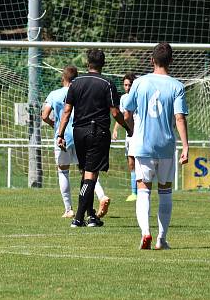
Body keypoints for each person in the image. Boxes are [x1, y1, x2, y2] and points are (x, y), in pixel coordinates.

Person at [123, 42, 189, 250]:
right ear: (171, 61)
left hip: (142, 146)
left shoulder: (140, 83)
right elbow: (179, 118)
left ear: (152, 60)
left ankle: (145, 233)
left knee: (143, 191)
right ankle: (161, 238)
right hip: (166, 146)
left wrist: (133, 132)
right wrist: (185, 146)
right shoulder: (177, 86)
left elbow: (127, 112)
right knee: (165, 192)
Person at [56, 49, 130, 228]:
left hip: (78, 132)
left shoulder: (75, 83)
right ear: (103, 64)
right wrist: (127, 127)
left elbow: (67, 111)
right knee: (91, 174)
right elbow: (114, 112)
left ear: (87, 63)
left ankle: (91, 216)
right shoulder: (107, 83)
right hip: (97, 132)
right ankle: (78, 218)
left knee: (86, 172)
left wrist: (60, 133)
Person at [43, 66, 110, 219]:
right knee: (88, 171)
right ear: (76, 78)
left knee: (63, 171)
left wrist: (56, 126)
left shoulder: (55, 94)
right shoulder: (82, 90)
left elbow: (45, 115)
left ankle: (69, 209)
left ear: (63, 78)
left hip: (63, 136)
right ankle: (101, 196)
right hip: (82, 134)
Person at [113, 72, 138, 202]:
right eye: (125, 85)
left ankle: (139, 191)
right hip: (129, 134)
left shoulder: (139, 96)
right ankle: (135, 192)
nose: (127, 87)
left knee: (137, 161)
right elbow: (122, 116)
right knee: (131, 162)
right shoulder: (123, 98)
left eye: (130, 85)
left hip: (138, 133)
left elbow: (128, 116)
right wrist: (115, 130)